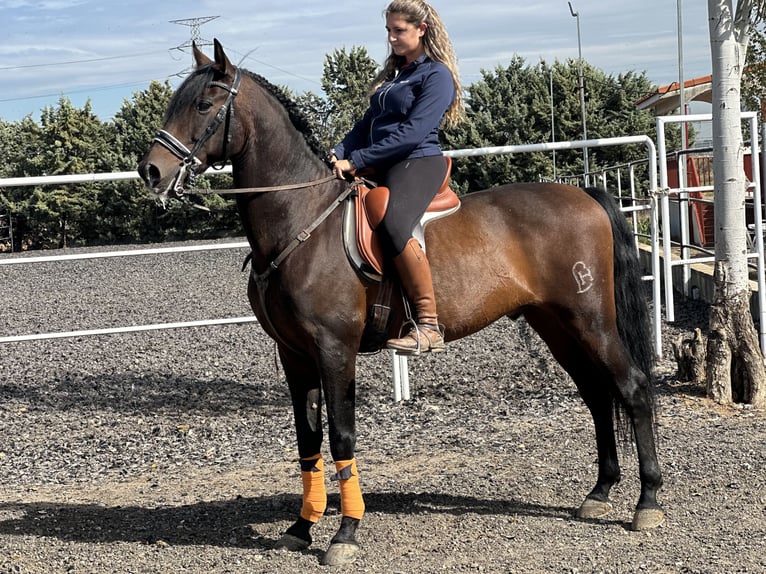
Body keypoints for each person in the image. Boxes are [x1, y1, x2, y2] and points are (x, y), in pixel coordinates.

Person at [329, 0, 464, 355]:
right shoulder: (395, 76)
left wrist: (356, 160)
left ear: (422, 30)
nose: (391, 38)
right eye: (388, 30)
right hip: (381, 162)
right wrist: (338, 152)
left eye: (398, 30)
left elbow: (412, 133)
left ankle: (429, 325)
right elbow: (364, 126)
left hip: (417, 161)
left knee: (394, 222)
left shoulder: (436, 75)